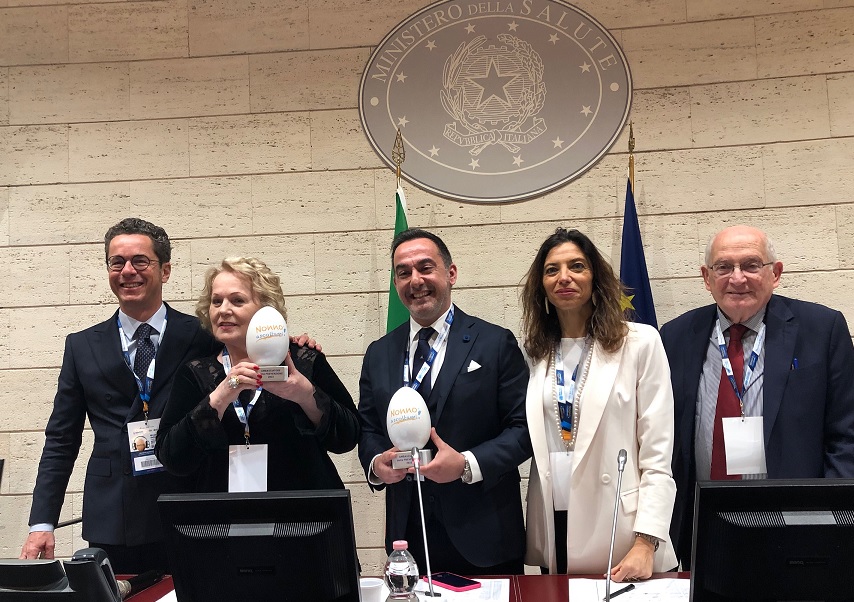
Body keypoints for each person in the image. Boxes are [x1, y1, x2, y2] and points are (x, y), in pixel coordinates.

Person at [21, 218, 218, 573]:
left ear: (165, 270)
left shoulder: (202, 336)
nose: (128, 271)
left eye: (140, 261)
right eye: (117, 262)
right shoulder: (81, 346)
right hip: (114, 516)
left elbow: (248, 357)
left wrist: (292, 345)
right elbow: (61, 439)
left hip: (186, 505)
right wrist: (42, 523)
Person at [661, 225, 854, 568]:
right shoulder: (675, 336)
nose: (737, 278)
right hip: (700, 531)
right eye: (723, 267)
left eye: (751, 265)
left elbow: (846, 436)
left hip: (797, 527)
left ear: (775, 273)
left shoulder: (821, 329)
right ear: (706, 278)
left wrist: (827, 521)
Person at [358, 228, 531, 576]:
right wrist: (378, 464)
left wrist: (466, 464)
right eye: (403, 273)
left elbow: (524, 430)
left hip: (485, 537)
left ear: (450, 273)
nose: (415, 280)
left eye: (425, 267)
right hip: (408, 540)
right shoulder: (379, 353)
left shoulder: (495, 343)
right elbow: (368, 429)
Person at [521, 228, 678, 579]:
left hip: (622, 528)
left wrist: (646, 541)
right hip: (555, 520)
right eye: (552, 270)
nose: (564, 277)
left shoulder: (640, 343)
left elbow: (657, 454)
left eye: (576, 266)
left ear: (595, 276)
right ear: (541, 286)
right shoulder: (537, 351)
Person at [156, 257, 359, 493]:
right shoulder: (195, 372)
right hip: (224, 512)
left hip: (303, 510)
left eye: (237, 300)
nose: (223, 310)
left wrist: (306, 395)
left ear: (266, 310)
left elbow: (348, 437)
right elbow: (172, 458)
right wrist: (220, 397)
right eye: (216, 301)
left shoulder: (303, 359)